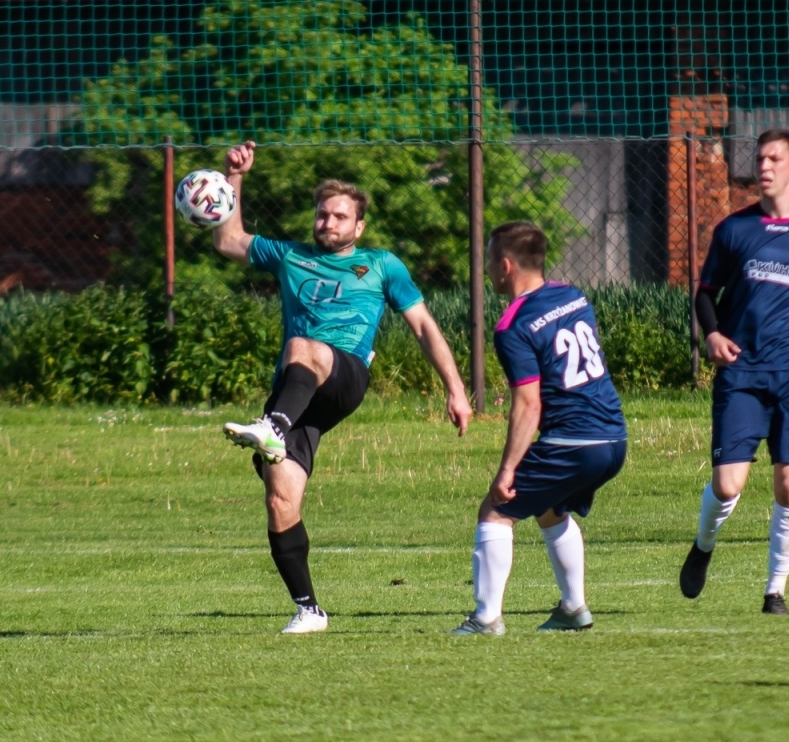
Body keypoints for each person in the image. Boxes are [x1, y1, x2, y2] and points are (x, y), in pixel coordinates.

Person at [210, 141, 473, 633]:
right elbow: (228, 241)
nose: (327, 222)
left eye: (338, 216)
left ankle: (271, 426)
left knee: (304, 345)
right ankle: (309, 608)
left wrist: (455, 390)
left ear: (359, 227)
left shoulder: (380, 265)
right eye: (322, 214)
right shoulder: (289, 256)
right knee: (280, 498)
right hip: (299, 387)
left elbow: (423, 327)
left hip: (346, 373)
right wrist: (233, 176)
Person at [679, 128, 789, 614]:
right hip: (742, 373)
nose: (764, 166)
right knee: (728, 486)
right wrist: (713, 334)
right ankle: (703, 545)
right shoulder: (734, 230)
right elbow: (704, 293)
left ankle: (774, 589)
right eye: (759, 159)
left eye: (774, 159)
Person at [451, 221, 627, 636]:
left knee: (496, 510)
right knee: (550, 508)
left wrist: (506, 470)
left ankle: (486, 618)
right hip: (613, 437)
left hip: (575, 440)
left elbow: (528, 405)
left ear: (506, 266)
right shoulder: (573, 295)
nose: (488, 268)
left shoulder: (512, 325)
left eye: (491, 260)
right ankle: (573, 609)